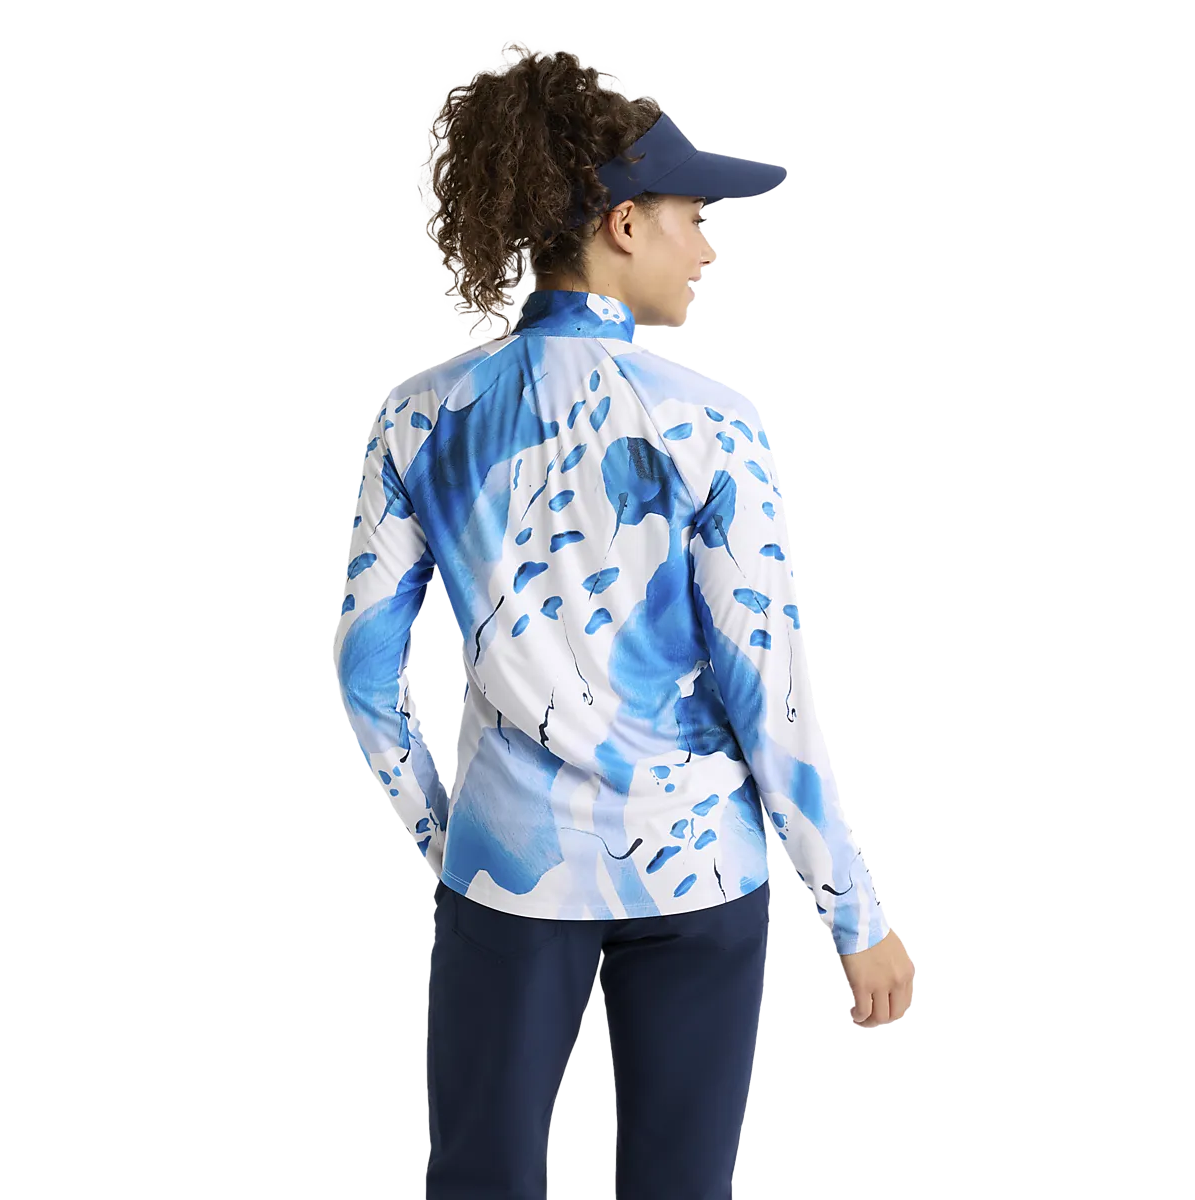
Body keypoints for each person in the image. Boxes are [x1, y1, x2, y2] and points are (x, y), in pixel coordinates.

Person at [334, 39, 913, 1199]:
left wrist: (449, 840)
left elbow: (364, 678)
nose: (709, 244)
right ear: (624, 224)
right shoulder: (712, 422)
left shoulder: (420, 415)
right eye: (695, 216)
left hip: (506, 877)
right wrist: (855, 915)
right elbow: (768, 691)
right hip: (699, 872)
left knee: (480, 1182)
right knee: (682, 1188)